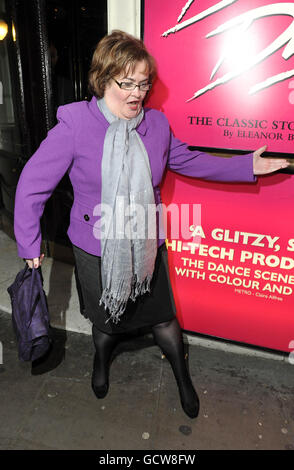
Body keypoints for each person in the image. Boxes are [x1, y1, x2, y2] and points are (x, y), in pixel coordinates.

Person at [14, 30, 289, 419]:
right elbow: (31, 185)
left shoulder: (155, 125)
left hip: (145, 244)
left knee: (163, 319)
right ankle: (101, 362)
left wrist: (247, 165)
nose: (136, 94)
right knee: (106, 323)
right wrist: (29, 247)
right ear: (102, 79)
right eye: (126, 83)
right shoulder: (76, 124)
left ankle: (182, 379)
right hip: (96, 250)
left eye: (143, 84)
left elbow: (189, 161)